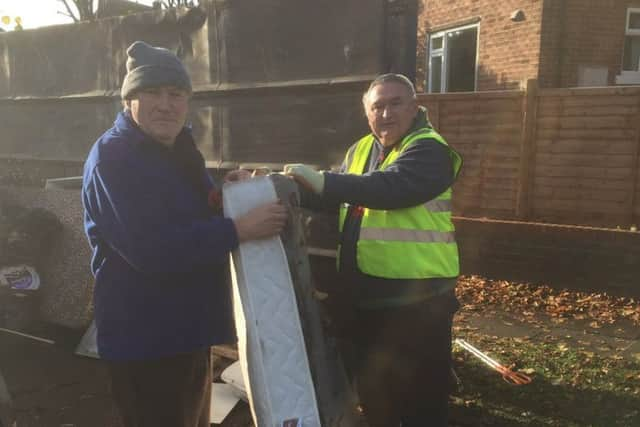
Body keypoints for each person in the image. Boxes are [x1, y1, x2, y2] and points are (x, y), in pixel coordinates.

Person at [81, 41, 287, 427]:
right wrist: (237, 228)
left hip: (187, 327)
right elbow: (150, 248)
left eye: (175, 94)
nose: (165, 104)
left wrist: (225, 193)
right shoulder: (115, 158)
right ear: (130, 101)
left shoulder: (176, 147)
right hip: (145, 337)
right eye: (152, 93)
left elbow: (185, 208)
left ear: (187, 102)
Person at [284, 73, 463, 427]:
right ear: (366, 113)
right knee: (376, 397)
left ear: (414, 107)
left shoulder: (429, 149)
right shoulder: (360, 150)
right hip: (366, 302)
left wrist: (323, 181)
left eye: (395, 103)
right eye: (377, 106)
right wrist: (281, 188)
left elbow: (392, 188)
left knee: (422, 403)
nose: (385, 114)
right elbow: (338, 197)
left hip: (418, 304)